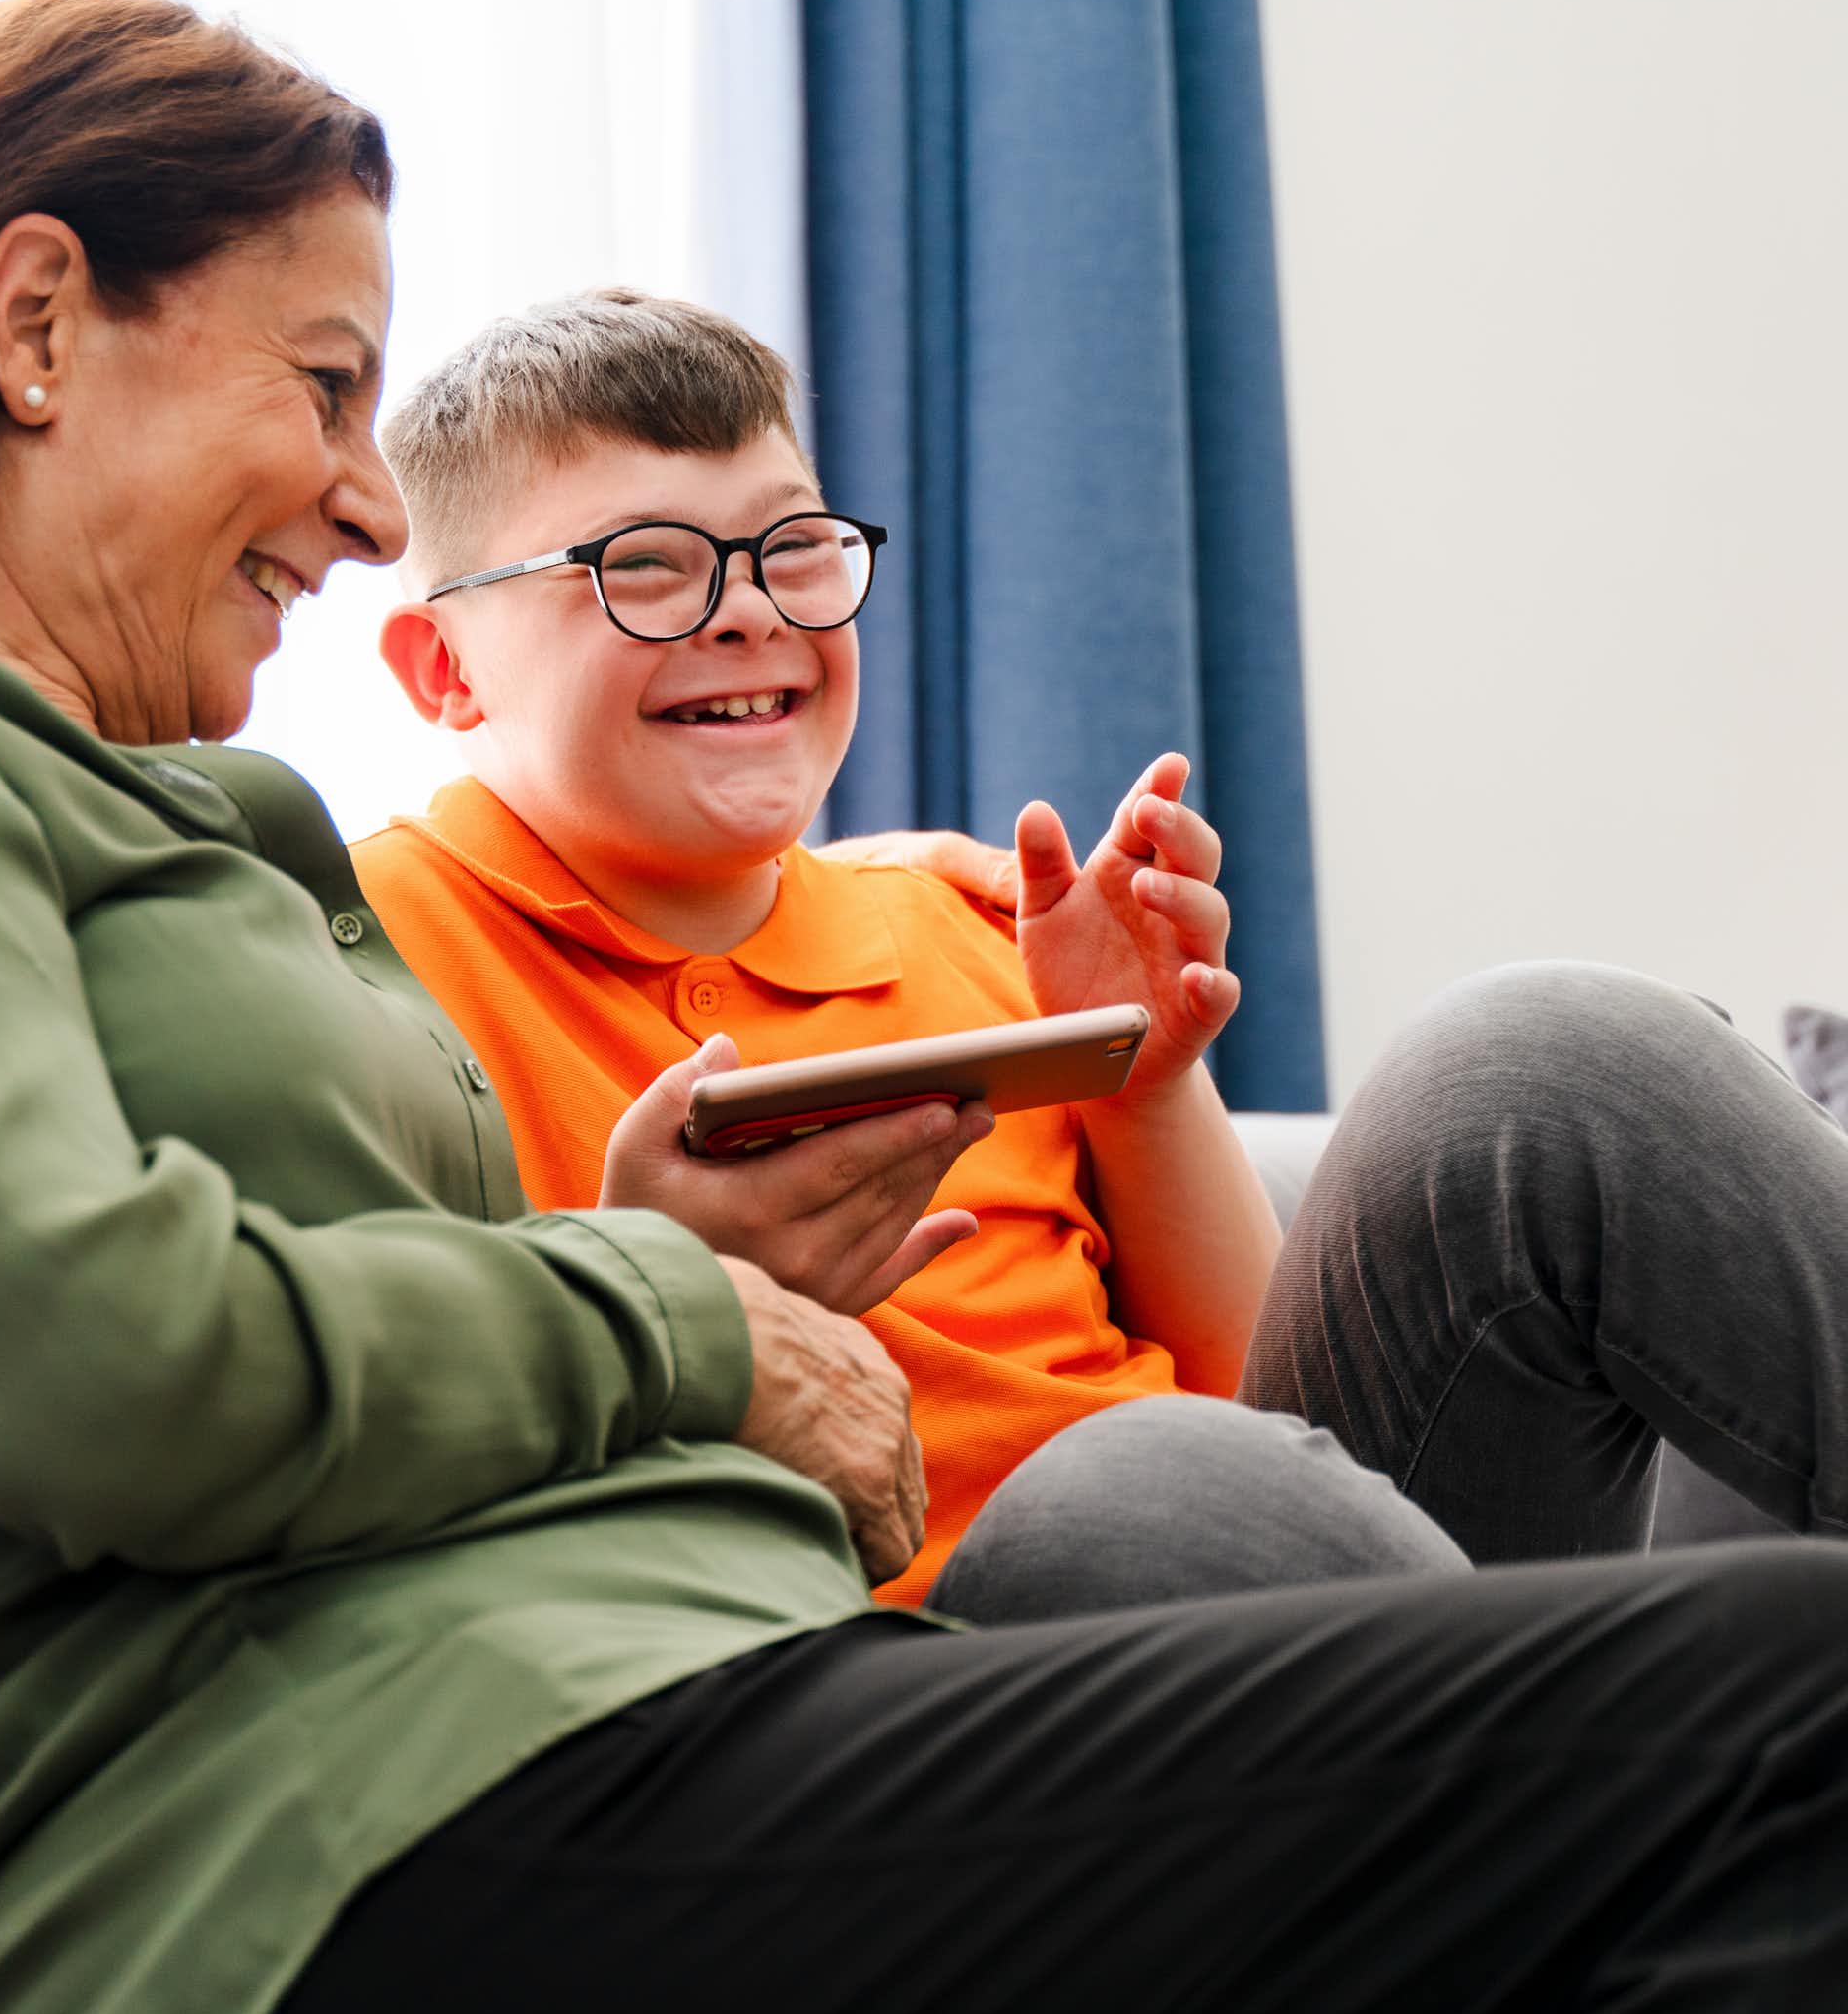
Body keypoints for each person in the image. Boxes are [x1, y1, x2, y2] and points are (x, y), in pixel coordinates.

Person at [0, 0, 1848, 2014]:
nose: (363, 502)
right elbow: (114, 1364)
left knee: (1612, 1271)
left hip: (671, 1708)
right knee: (1790, 1703)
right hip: (360, 1846)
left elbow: (418, 1356)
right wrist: (677, 1309)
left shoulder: (203, 830)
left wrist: (670, 1260)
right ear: (38, 321)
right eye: (324, 382)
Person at [359, 286, 1848, 1603]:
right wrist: (657, 1281)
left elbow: (1290, 1409)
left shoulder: (964, 919)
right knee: (1143, 1487)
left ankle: (1604, 1809)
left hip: (1299, 1603)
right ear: (444, 669)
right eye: (651, 566)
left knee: (1549, 1052)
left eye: (793, 550)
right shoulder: (368, 957)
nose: (750, 614)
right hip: (920, 1695)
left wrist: (1144, 1080)